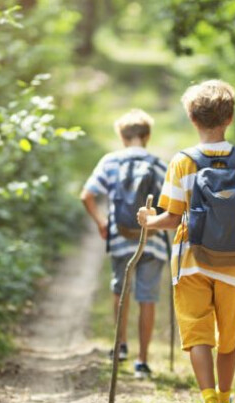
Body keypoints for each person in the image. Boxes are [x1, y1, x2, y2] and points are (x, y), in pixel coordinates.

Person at [137, 80, 235, 403]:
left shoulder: (182, 162)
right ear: (230, 118)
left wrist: (148, 221)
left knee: (198, 334)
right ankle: (226, 400)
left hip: (191, 262)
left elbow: (171, 218)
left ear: (192, 118)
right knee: (227, 339)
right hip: (234, 263)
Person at [80, 109, 169, 379]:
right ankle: (142, 361)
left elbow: (86, 196)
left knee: (121, 290)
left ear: (122, 137)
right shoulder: (159, 164)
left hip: (120, 237)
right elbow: (172, 204)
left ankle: (120, 346)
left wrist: (101, 222)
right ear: (147, 136)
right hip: (152, 239)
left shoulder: (110, 162)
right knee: (148, 297)